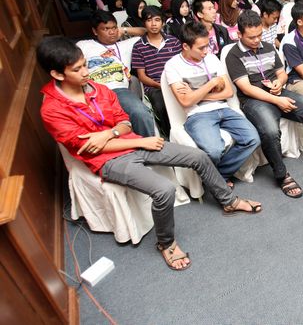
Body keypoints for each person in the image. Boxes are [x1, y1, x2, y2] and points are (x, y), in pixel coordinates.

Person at [37, 37, 261, 271]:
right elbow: (89, 148)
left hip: (132, 142)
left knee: (198, 156)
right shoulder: (52, 109)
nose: (86, 71)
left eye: (85, 64)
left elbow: (124, 122)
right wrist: (137, 140)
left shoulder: (99, 89)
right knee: (164, 190)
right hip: (109, 160)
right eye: (77, 69)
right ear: (57, 74)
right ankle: (166, 243)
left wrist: (109, 133)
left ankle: (228, 201)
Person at [226, 11, 303, 195]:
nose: (257, 40)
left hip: (278, 92)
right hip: (254, 101)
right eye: (251, 37)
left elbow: (282, 73)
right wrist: (277, 100)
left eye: (259, 35)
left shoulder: (268, 47)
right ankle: (281, 175)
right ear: (239, 34)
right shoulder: (233, 55)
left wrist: (279, 82)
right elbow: (246, 88)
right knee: (270, 131)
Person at [165, 21, 260, 186]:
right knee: (214, 150)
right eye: (201, 48)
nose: (206, 51)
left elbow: (228, 92)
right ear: (186, 46)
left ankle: (218, 176)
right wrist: (212, 83)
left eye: (207, 45)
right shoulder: (173, 66)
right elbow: (186, 102)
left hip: (224, 108)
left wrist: (196, 94)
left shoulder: (211, 58)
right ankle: (218, 180)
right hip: (198, 115)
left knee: (252, 139)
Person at [76, 11, 158, 137]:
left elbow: (148, 32)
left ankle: (150, 145)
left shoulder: (127, 44)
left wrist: (123, 30)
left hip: (118, 90)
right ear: (95, 31)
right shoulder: (84, 45)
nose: (112, 32)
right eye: (106, 29)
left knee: (141, 113)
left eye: (114, 28)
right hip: (92, 91)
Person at [131, 6, 182, 137]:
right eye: (149, 20)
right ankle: (169, 135)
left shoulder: (174, 42)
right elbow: (142, 76)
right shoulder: (138, 47)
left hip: (176, 81)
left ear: (163, 22)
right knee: (161, 105)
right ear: (144, 23)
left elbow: (181, 66)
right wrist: (161, 85)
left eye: (157, 20)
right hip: (154, 86)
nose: (153, 24)